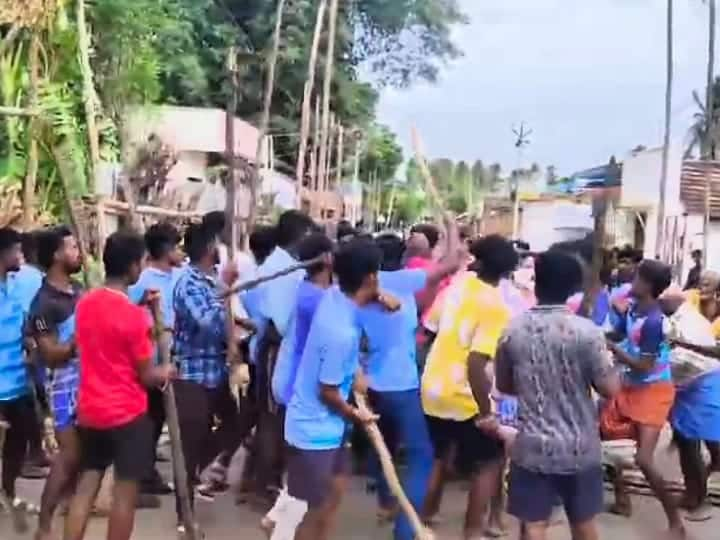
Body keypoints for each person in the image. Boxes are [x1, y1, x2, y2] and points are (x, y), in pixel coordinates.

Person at [491, 250, 620, 540]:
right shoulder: (587, 333)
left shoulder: (513, 329)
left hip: (532, 445)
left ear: (537, 284)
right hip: (580, 446)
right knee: (583, 522)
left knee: (533, 526)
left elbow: (506, 385)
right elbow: (609, 389)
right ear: (573, 287)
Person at [64, 231, 174, 540]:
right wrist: (166, 370)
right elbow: (146, 376)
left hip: (90, 411)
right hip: (126, 416)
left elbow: (105, 330)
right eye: (141, 262)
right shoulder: (135, 319)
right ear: (133, 268)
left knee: (86, 487)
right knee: (124, 497)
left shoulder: (86, 303)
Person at [359, 218, 460, 540]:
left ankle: (387, 502)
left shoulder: (352, 287)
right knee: (421, 456)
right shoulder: (401, 281)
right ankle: (406, 529)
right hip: (401, 385)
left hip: (368, 385)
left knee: (383, 445)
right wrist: (451, 229)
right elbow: (453, 263)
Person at [420, 235, 519, 539]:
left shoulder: (455, 288)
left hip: (434, 387)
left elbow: (429, 332)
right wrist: (487, 413)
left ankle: (423, 518)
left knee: (440, 455)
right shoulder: (496, 307)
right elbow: (476, 363)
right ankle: (472, 531)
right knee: (488, 464)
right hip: (466, 395)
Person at [284, 238, 382, 540]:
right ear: (370, 277)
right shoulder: (341, 333)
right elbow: (327, 391)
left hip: (329, 430)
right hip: (314, 432)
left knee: (332, 497)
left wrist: (380, 296)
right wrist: (357, 415)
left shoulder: (333, 297)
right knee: (311, 512)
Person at [601, 259, 683, 536]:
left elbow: (643, 365)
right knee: (606, 437)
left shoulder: (653, 322)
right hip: (631, 385)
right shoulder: (636, 308)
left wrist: (611, 346)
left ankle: (676, 523)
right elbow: (623, 334)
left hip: (652, 391)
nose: (630, 283)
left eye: (635, 278)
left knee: (644, 460)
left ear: (647, 285)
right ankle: (623, 500)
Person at [262, 232, 335, 539]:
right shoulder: (317, 299)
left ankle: (276, 514)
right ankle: (281, 526)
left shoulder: (307, 291)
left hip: (292, 384)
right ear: (327, 259)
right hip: (300, 390)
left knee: (303, 466)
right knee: (307, 471)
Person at [171, 223, 242, 530]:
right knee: (187, 444)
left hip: (216, 372)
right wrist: (226, 290)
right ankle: (183, 515)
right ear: (210, 248)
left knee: (238, 421)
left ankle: (198, 466)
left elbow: (228, 322)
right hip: (191, 375)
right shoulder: (189, 283)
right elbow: (211, 323)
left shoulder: (211, 280)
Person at [254, 210, 315, 504]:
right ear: (300, 236)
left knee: (276, 417)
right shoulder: (283, 269)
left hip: (282, 346)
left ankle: (266, 479)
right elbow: (280, 323)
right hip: (276, 348)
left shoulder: (288, 265)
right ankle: (266, 484)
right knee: (271, 418)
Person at [29, 226, 84, 540]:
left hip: (85, 382)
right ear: (55, 256)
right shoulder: (44, 303)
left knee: (80, 458)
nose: (78, 252)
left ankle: (68, 517)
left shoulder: (76, 289)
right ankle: (44, 525)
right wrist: (81, 335)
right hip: (63, 386)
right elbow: (51, 355)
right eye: (72, 247)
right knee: (68, 456)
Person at [128, 222, 184, 496]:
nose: (181, 252)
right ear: (167, 250)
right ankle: (142, 474)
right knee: (150, 417)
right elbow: (128, 312)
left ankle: (145, 469)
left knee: (159, 416)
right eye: (177, 246)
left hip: (172, 355)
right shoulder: (144, 280)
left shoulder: (180, 275)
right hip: (149, 357)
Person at [660, 289, 720, 521]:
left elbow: (682, 359)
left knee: (689, 441)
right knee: (705, 435)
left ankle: (697, 499)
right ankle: (701, 484)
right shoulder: (681, 317)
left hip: (698, 385)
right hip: (699, 383)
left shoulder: (687, 324)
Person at [0, 227, 35, 518]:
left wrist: (37, 338)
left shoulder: (16, 285)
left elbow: (33, 321)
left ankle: (8, 493)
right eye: (16, 251)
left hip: (19, 383)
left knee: (17, 445)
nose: (20, 256)